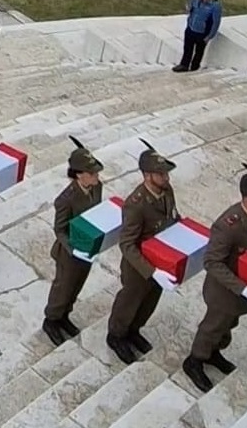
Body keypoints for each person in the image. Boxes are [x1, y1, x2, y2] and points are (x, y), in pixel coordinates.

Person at [183, 166, 247, 393]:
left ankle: (213, 353)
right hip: (224, 292)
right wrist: (243, 288)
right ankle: (195, 361)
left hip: (242, 289)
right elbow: (212, 262)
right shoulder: (228, 226)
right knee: (212, 327)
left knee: (228, 326)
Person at [105, 142, 180, 366]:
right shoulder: (135, 205)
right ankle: (117, 335)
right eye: (160, 174)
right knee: (130, 300)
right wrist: (151, 271)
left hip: (161, 259)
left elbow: (173, 216)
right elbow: (127, 244)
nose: (166, 177)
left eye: (166, 172)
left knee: (149, 301)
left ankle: (134, 330)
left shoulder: (167, 191)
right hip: (139, 266)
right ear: (147, 176)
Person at [42, 138, 104, 346]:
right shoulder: (66, 199)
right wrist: (72, 249)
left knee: (76, 286)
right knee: (63, 288)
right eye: (92, 173)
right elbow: (59, 229)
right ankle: (52, 319)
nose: (97, 176)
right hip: (69, 252)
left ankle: (64, 316)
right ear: (80, 174)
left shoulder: (96, 188)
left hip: (87, 248)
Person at [173, 0, 222, 73]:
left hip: (202, 33)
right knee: (187, 48)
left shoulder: (215, 6)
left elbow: (216, 23)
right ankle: (184, 64)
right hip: (191, 28)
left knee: (199, 52)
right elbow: (190, 10)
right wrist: (187, 8)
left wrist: (209, 37)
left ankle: (194, 67)